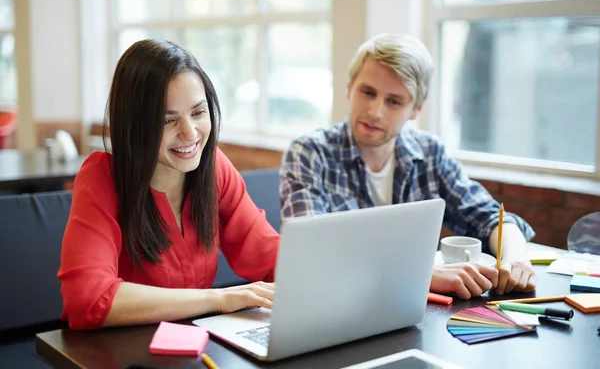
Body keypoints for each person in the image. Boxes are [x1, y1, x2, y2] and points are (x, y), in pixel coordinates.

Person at [280, 33, 536, 299]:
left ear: (415, 109)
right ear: (348, 88)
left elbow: (487, 215)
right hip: (336, 304)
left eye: (394, 101)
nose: (375, 111)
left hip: (410, 311)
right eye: (368, 92)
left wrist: (516, 259)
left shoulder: (429, 153)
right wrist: (424, 276)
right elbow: (311, 252)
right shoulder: (310, 153)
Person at [58, 39, 279, 330]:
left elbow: (269, 258)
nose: (190, 133)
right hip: (124, 352)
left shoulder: (214, 168)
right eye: (167, 121)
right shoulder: (102, 176)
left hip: (198, 347)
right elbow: (88, 299)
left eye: (198, 113)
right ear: (134, 126)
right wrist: (219, 299)